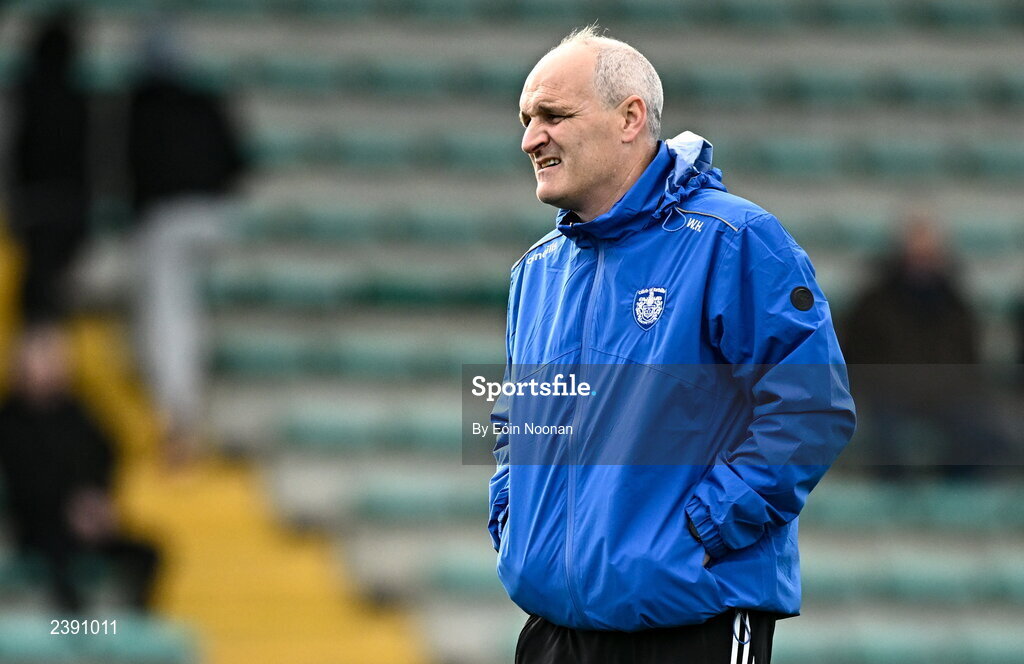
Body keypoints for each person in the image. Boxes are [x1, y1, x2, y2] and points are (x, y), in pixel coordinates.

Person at [486, 26, 856, 664]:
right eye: (526, 119)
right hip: (552, 630)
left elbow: (812, 407)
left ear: (630, 118)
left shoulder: (733, 239)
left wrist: (705, 529)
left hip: (689, 624)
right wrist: (511, 517)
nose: (530, 138)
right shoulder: (535, 270)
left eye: (553, 115)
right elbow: (511, 419)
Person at [0, 324, 160, 611]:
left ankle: (136, 622)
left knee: (147, 553)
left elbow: (107, 453)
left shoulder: (78, 410)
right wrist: (69, 508)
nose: (54, 366)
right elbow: (23, 480)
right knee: (57, 566)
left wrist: (98, 499)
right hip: (39, 527)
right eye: (44, 358)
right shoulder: (10, 421)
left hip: (87, 520)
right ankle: (77, 633)